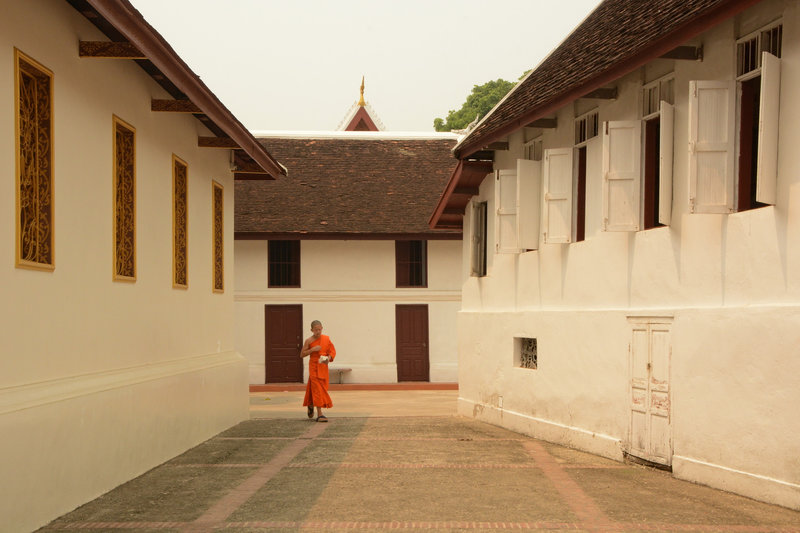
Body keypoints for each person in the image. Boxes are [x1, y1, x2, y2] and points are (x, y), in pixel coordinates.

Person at [300, 320, 336, 422]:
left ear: (322, 329)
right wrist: (312, 350)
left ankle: (310, 403)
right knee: (317, 390)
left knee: (321, 388)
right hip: (314, 367)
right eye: (316, 330)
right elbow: (302, 354)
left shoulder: (326, 339)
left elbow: (332, 351)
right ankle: (320, 414)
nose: (318, 332)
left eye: (319, 329)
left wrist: (328, 359)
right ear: (312, 330)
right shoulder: (309, 341)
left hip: (323, 366)